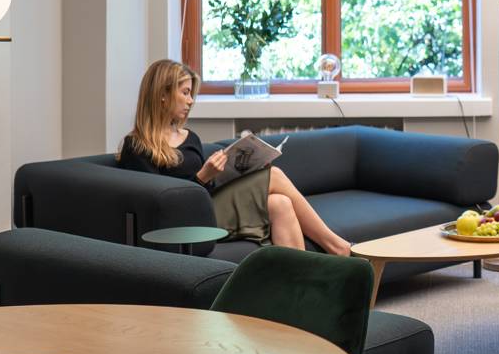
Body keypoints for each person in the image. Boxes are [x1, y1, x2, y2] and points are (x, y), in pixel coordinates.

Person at [116, 59, 351, 255]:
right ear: (162, 95)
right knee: (275, 175)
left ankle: (301, 285)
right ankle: (336, 246)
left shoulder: (190, 137)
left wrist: (243, 170)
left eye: (191, 94)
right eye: (185, 93)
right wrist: (202, 177)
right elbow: (158, 205)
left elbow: (209, 187)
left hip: (210, 205)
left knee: (280, 203)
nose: (190, 100)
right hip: (185, 222)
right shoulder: (137, 146)